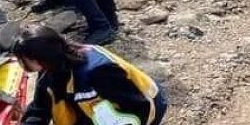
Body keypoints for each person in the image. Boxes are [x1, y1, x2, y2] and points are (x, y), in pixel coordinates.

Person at [12, 25, 167, 125]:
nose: (23, 66)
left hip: (143, 109)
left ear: (42, 58)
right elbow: (40, 109)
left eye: (24, 60)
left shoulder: (100, 71)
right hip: (99, 112)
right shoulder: (49, 71)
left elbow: (139, 107)